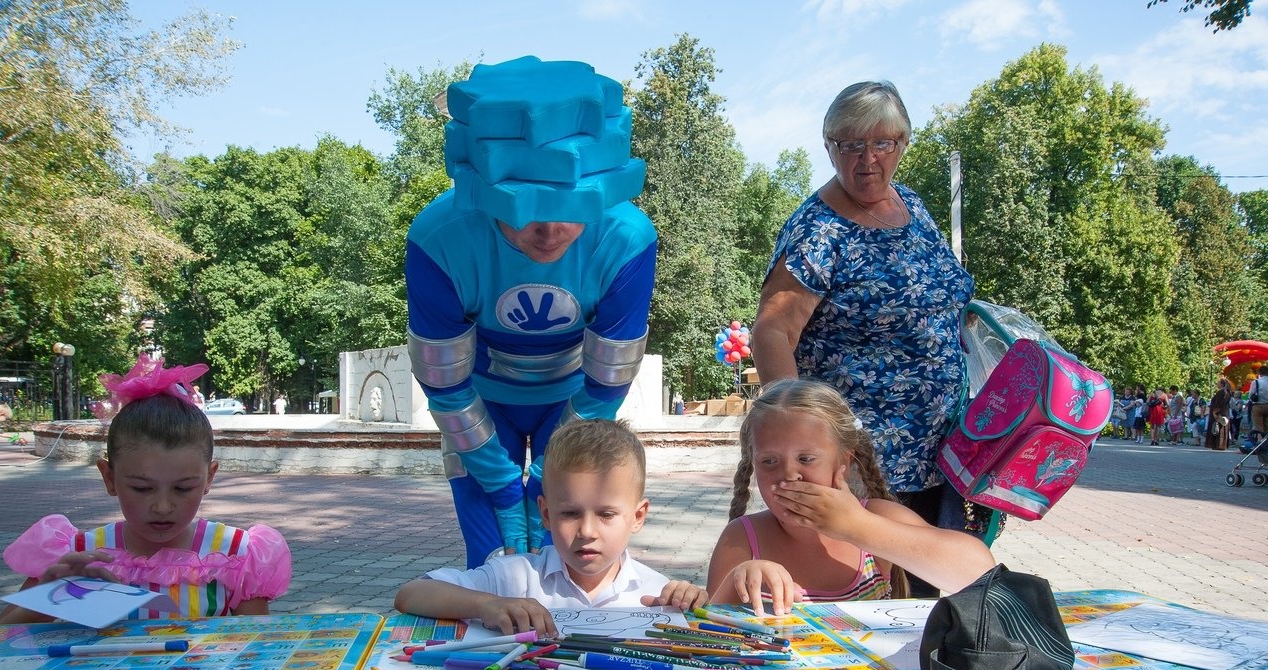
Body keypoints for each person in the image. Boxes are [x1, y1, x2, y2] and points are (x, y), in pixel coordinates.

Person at [405, 56, 656, 567]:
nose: (550, 232)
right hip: (478, 404)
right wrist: (499, 482)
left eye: (571, 209)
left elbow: (608, 381)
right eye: (524, 209)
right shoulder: (439, 237)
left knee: (569, 558)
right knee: (495, 561)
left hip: (575, 400)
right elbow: (443, 382)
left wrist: (544, 473)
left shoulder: (628, 237)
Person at [750, 81, 975, 597]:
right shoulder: (818, 230)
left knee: (935, 598)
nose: (867, 159)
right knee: (880, 606)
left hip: (939, 455)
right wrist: (805, 441)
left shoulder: (913, 208)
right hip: (864, 467)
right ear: (829, 147)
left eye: (883, 143)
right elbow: (772, 330)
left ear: (904, 144)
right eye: (850, 145)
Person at [0, 354, 292, 624]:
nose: (162, 506)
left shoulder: (234, 556)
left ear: (209, 478)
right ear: (109, 477)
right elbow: (5, 644)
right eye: (141, 488)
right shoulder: (79, 555)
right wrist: (48, 596)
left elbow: (257, 648)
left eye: (183, 487)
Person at [394, 418, 706, 636]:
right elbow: (411, 594)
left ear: (638, 516)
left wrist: (694, 602)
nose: (587, 531)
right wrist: (485, 604)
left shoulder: (655, 593)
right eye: (569, 513)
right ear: (545, 513)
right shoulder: (515, 577)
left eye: (606, 514)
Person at [705, 379, 994, 616]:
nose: (789, 475)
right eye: (769, 461)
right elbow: (709, 630)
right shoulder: (743, 537)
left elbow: (980, 575)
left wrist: (857, 526)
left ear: (842, 461)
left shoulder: (877, 517)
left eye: (806, 458)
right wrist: (738, 577)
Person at [1208, 378, 1232, 451]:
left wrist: (1215, 412)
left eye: (1218, 382)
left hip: (1219, 413)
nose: (1217, 384)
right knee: (1221, 428)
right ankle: (1222, 445)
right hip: (1224, 413)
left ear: (1222, 384)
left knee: (1218, 428)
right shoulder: (1227, 392)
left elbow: (1218, 403)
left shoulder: (1221, 392)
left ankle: (1218, 445)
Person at [1250, 365, 1268, 436]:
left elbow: (1251, 395)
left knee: (1258, 427)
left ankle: (1260, 444)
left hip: (1257, 406)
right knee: (1267, 427)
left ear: (1259, 373)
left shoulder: (1256, 382)